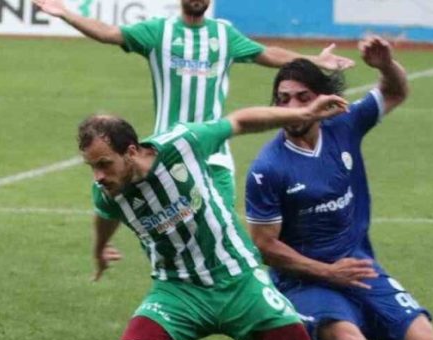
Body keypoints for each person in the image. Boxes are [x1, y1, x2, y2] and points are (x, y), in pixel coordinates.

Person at [77, 98, 433, 340]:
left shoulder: (182, 144)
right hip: (178, 291)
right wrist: (99, 250)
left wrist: (301, 114)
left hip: (240, 282)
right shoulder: (108, 192)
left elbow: (241, 120)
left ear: (131, 151)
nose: (97, 176)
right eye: (91, 167)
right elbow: (106, 217)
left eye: (104, 164)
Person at [244, 36, 433, 340]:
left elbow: (396, 90)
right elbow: (266, 246)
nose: (291, 107)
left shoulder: (344, 126)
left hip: (359, 267)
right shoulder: (267, 168)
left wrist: (386, 65)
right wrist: (329, 273)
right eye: (282, 99)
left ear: (323, 100)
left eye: (302, 97)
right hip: (305, 282)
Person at [33, 0, 353, 206]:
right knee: (173, 239)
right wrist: (67, 15)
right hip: (167, 155)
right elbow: (109, 32)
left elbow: (267, 54)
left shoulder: (224, 35)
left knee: (222, 232)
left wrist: (313, 59)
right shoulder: (159, 32)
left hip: (214, 156)